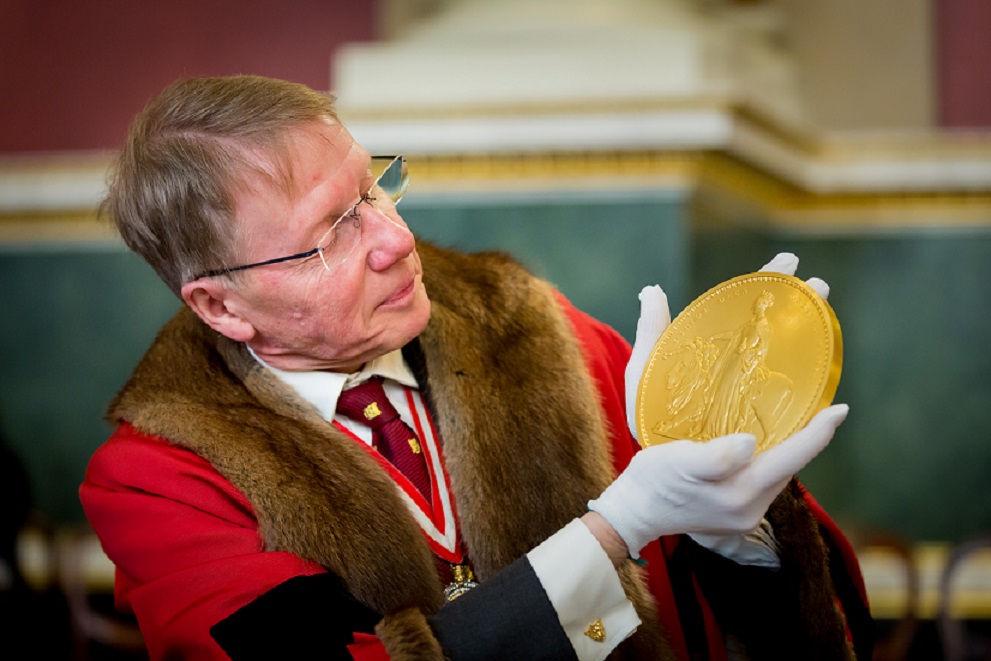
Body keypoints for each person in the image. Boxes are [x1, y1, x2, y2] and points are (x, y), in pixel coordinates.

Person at [80, 74, 873, 660]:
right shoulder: (156, 477)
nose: (395, 240)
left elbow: (734, 616)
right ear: (221, 307)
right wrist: (614, 530)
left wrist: (737, 535)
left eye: (374, 188)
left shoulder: (540, 330)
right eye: (330, 235)